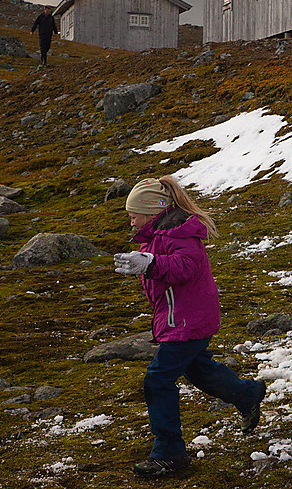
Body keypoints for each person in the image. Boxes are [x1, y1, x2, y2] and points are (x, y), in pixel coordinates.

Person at [114, 176, 266, 478]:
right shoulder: (158, 234)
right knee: (200, 371)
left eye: (133, 211)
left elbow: (185, 266)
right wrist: (148, 261)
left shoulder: (179, 232)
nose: (130, 218)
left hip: (186, 321)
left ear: (151, 210)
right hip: (184, 319)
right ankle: (247, 395)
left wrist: (150, 264)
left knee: (157, 380)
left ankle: (170, 453)